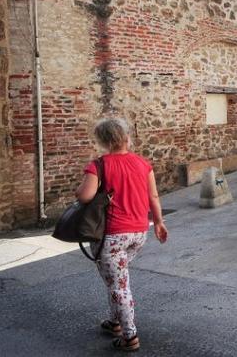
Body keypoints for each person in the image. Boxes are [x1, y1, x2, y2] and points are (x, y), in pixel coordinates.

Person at [75, 117, 169, 352]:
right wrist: (158, 222)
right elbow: (154, 197)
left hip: (113, 235)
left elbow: (84, 196)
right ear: (126, 137)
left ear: (104, 141)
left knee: (119, 286)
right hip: (139, 232)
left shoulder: (99, 166)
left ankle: (130, 337)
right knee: (116, 279)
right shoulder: (143, 163)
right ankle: (115, 322)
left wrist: (81, 188)